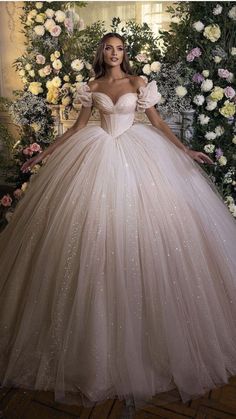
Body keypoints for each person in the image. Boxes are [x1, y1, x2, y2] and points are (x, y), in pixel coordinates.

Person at [0, 32, 236, 414]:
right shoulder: (91, 85)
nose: (114, 53)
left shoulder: (139, 83)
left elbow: (158, 124)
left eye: (120, 48)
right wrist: (41, 154)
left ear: (125, 53)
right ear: (101, 53)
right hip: (95, 153)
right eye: (109, 48)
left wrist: (187, 151)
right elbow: (77, 128)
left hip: (138, 155)